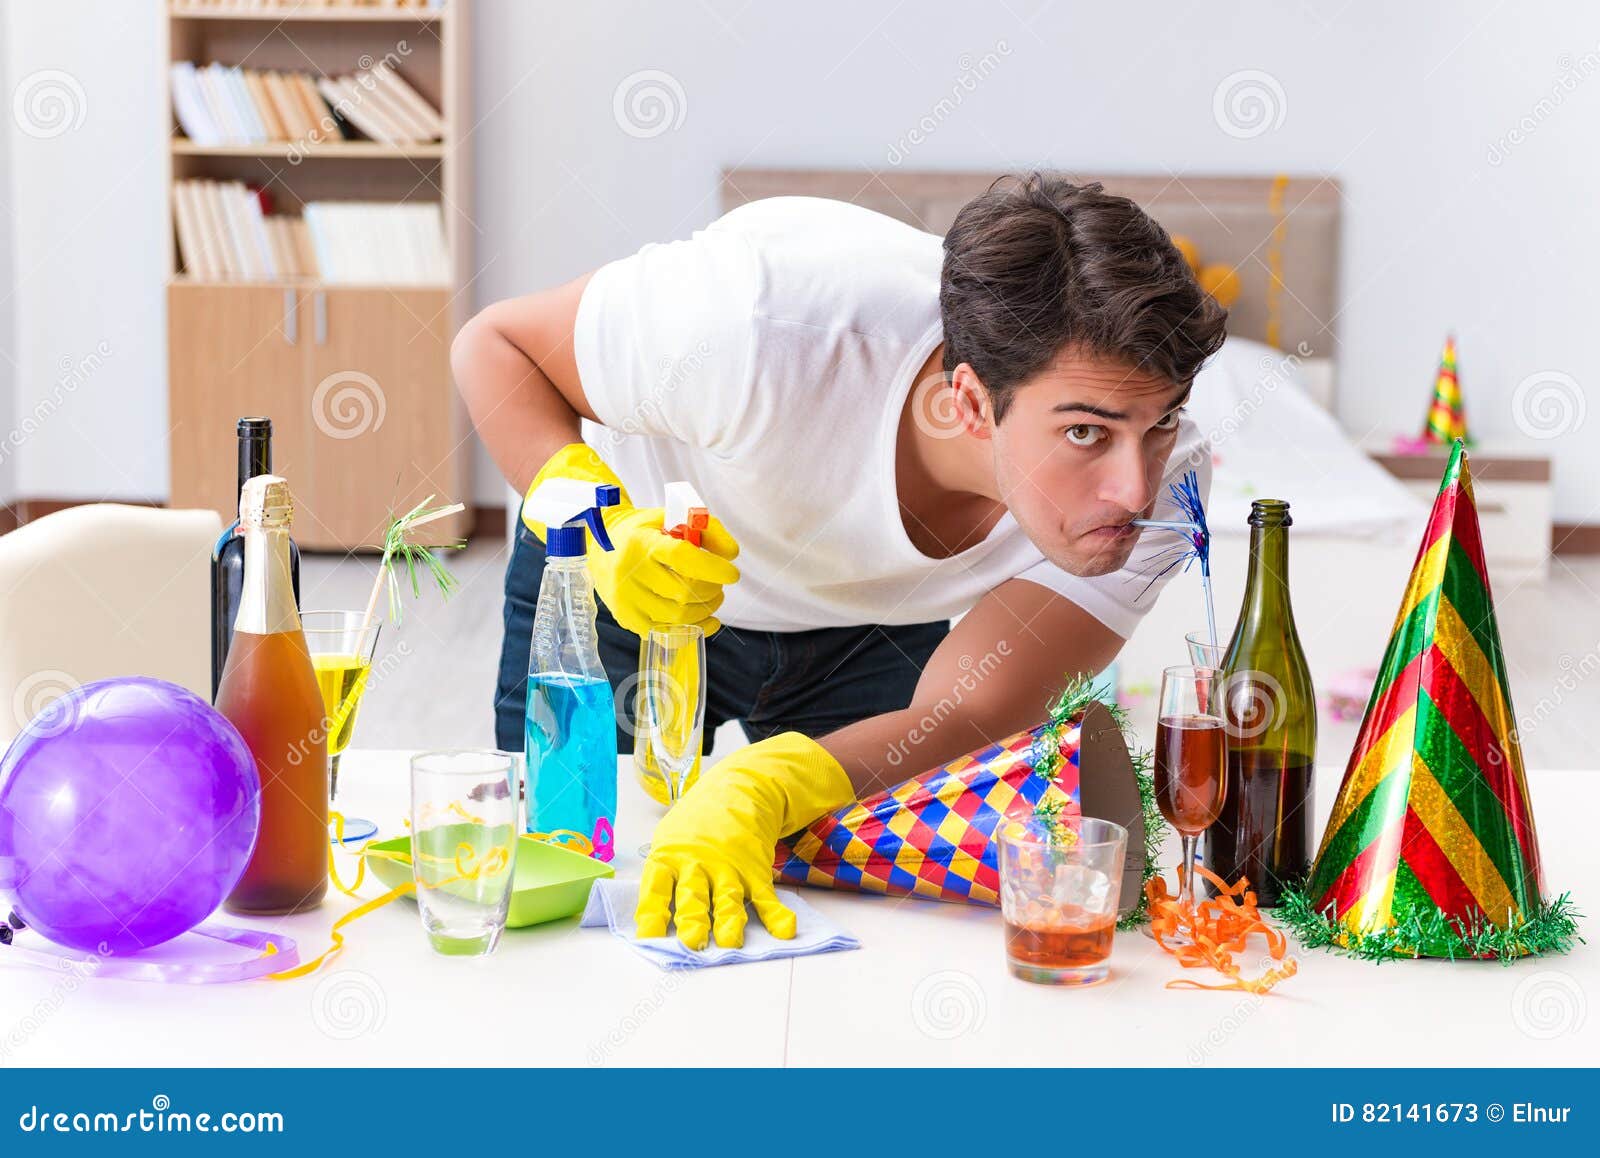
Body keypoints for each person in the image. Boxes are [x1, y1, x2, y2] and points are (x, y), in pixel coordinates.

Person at [452, 174, 1226, 950]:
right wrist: (606, 532)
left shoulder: (1171, 490)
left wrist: (764, 785)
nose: (1134, 488)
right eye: (1086, 433)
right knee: (553, 881)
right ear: (970, 402)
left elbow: (973, 714)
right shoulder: (758, 321)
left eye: (1159, 424)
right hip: (642, 588)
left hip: (868, 633)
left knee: (844, 900)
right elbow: (497, 346)